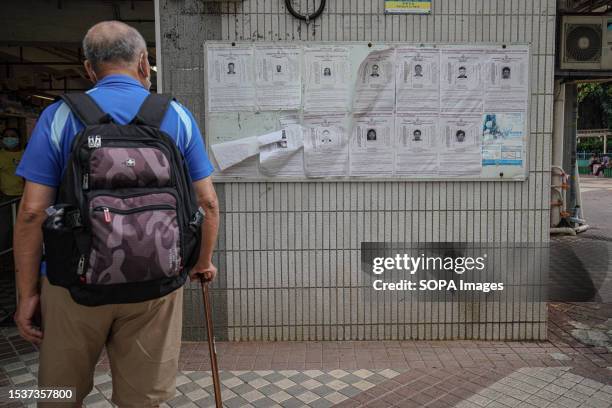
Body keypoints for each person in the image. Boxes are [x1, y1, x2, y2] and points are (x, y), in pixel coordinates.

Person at [13, 21, 219, 407]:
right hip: (156, 284)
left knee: (58, 394)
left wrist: (27, 295)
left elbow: (30, 213)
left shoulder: (58, 116)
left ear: (88, 69)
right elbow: (208, 203)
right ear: (144, 62)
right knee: (144, 399)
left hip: (71, 285)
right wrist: (201, 263)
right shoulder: (176, 116)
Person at [0, 128, 24, 253]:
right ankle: (5, 254)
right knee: (4, 228)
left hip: (23, 197)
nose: (9, 138)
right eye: (6, 136)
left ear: (19, 139)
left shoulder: (25, 154)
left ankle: (20, 252)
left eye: (13, 136)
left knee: (22, 227)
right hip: (6, 197)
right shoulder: (1, 155)